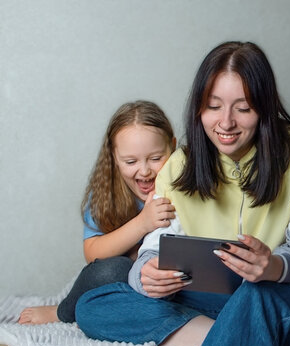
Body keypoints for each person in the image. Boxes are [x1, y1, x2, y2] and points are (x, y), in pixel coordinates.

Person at [75, 41, 290, 346]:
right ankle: (245, 336)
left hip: (278, 295)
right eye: (213, 106)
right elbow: (154, 247)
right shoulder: (179, 164)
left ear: (264, 107)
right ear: (198, 107)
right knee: (94, 304)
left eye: (243, 107)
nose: (225, 123)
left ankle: (249, 329)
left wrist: (272, 265)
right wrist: (146, 275)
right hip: (213, 298)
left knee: (257, 296)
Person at [18, 100, 176, 325]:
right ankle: (63, 312)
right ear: (114, 157)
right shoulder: (106, 192)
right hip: (124, 277)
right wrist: (144, 223)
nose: (145, 170)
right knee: (109, 271)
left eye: (155, 158)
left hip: (169, 281)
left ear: (172, 146)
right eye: (131, 161)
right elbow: (93, 254)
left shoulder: (184, 184)